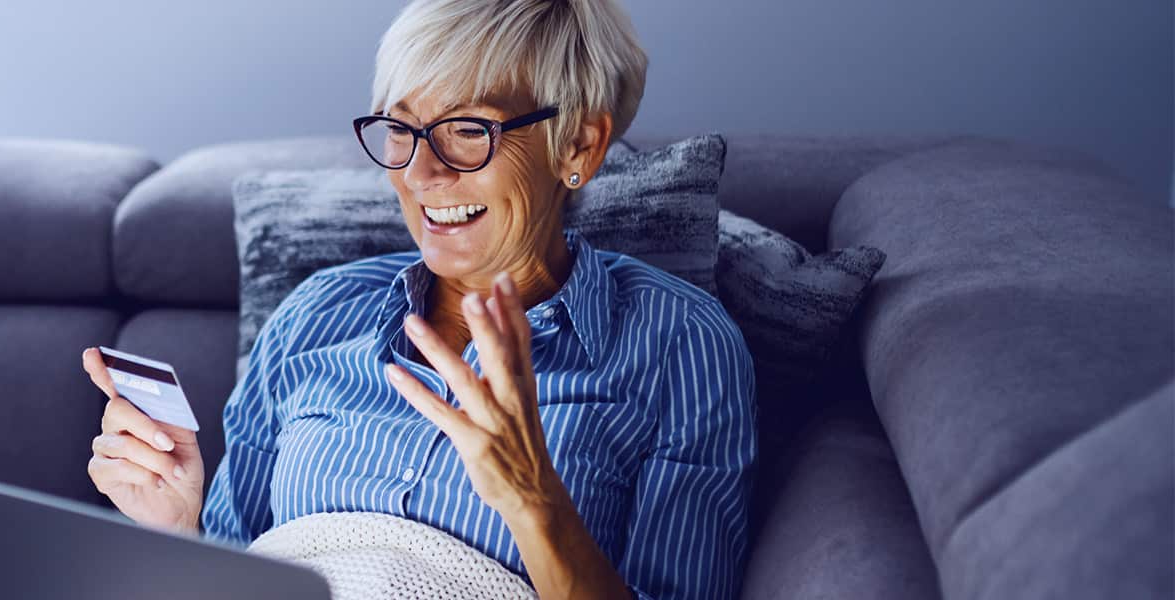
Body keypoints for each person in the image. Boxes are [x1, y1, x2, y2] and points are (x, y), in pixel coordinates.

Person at [85, 1, 755, 598]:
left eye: (468, 129)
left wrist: (534, 501)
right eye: (401, 130)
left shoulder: (679, 342)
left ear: (578, 145)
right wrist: (179, 524)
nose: (419, 172)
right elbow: (234, 565)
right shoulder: (316, 313)